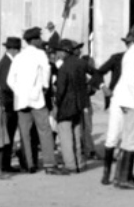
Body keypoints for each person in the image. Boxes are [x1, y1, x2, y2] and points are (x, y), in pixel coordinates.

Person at [7, 27, 64, 175]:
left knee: (24, 134)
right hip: (37, 99)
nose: (40, 41)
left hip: (21, 101)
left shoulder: (18, 57)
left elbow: (9, 80)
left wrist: (19, 92)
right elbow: (46, 71)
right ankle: (49, 164)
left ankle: (29, 165)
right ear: (34, 40)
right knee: (44, 131)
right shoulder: (40, 54)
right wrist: (44, 88)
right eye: (39, 38)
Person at [103, 23, 134, 189]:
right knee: (132, 141)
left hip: (125, 99)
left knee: (128, 140)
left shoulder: (132, 51)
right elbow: (132, 80)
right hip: (132, 101)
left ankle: (123, 176)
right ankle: (124, 179)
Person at [54, 38, 89, 173]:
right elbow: (96, 73)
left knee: (65, 135)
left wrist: (57, 103)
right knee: (76, 134)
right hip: (79, 104)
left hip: (66, 105)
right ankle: (79, 163)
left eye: (59, 51)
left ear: (64, 52)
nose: (58, 53)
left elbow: (61, 90)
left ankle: (70, 165)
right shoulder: (81, 63)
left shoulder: (63, 68)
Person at [0, 36, 26, 173]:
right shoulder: (7, 63)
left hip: (7, 101)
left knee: (7, 134)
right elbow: (6, 85)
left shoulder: (6, 61)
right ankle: (3, 164)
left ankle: (0, 163)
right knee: (8, 134)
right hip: (8, 102)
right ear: (14, 50)